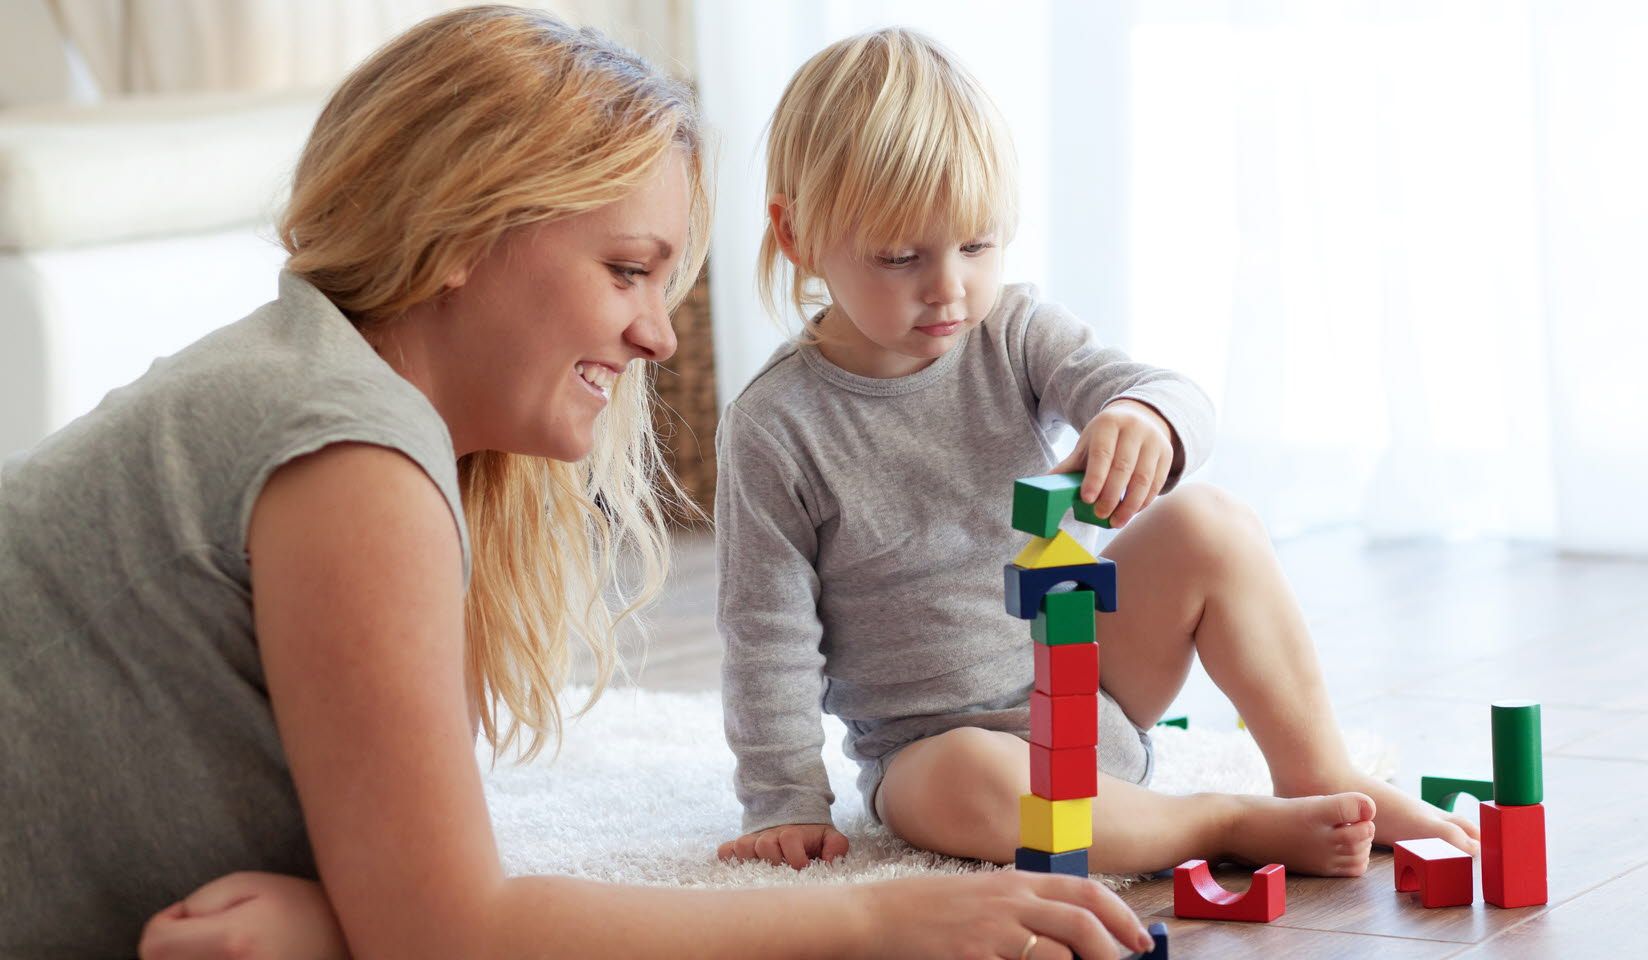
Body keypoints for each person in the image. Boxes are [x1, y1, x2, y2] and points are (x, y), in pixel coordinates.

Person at [0, 8, 1156, 960]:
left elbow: (409, 896)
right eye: (628, 270)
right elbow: (449, 933)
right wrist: (870, 913)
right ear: (461, 232)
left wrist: (345, 920)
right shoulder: (346, 453)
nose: (658, 337)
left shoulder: (333, 400)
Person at [714, 27, 1480, 900]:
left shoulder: (1016, 331)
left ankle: (1316, 770)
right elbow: (765, 632)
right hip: (938, 755)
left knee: (1213, 523)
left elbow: (1163, 388)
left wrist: (1142, 414)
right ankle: (1218, 822)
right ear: (797, 234)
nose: (950, 288)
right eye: (900, 257)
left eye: (977, 246)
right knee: (964, 777)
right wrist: (782, 801)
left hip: (1090, 687)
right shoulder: (775, 425)